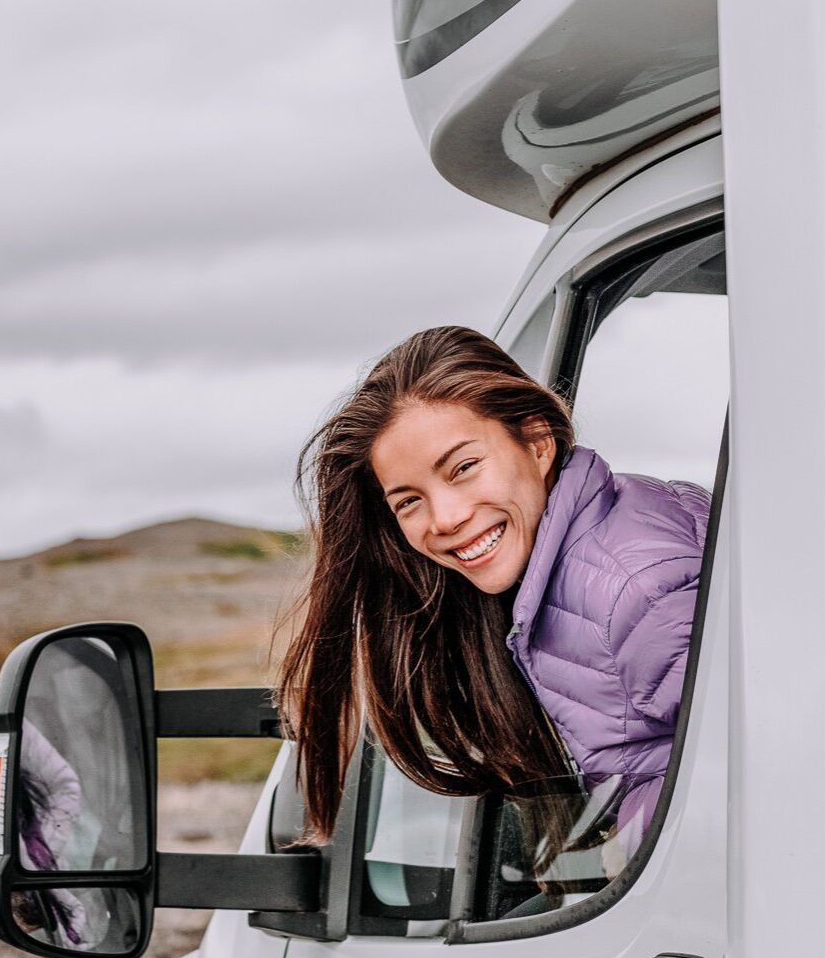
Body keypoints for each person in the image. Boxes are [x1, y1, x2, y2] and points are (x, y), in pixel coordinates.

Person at [278, 325, 708, 869]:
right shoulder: (577, 554)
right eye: (409, 502)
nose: (446, 519)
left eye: (463, 468)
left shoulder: (635, 591)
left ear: (537, 441)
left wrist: (626, 854)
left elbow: (765, 775)